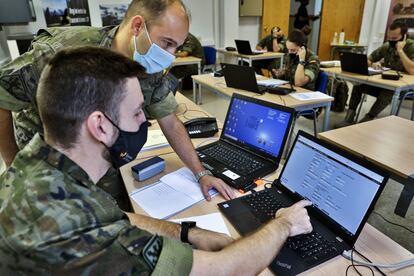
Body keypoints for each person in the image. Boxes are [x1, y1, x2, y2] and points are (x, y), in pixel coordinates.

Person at [0, 47, 312, 275]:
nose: (144, 122)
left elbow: (116, 217)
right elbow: (224, 270)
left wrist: (188, 232)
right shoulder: (78, 232)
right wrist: (283, 224)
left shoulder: (39, 165)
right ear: (100, 125)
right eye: (138, 112)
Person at [0, 0, 234, 205]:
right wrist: (12, 163)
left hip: (99, 152)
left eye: (177, 47)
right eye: (167, 43)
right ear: (137, 26)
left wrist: (201, 173)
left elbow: (170, 121)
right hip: (47, 147)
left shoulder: (149, 64)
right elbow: (2, 95)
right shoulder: (64, 51)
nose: (171, 55)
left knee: (117, 205)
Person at [335, 20, 414, 128]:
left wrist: (400, 50)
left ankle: (368, 119)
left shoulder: (412, 47)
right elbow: (368, 59)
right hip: (386, 81)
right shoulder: (387, 46)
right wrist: (373, 64)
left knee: (388, 91)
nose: (391, 41)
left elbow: (412, 70)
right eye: (389, 37)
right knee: (359, 84)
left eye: (394, 39)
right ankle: (350, 116)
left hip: (403, 88)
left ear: (404, 36)